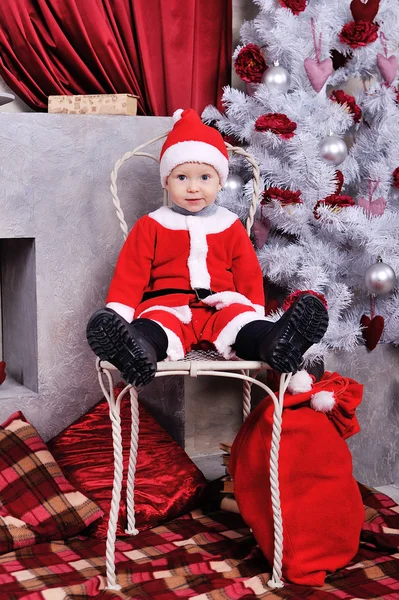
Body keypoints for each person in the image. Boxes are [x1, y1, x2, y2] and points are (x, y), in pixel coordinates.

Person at [86, 108, 328, 386]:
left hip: (220, 304)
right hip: (168, 304)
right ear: (166, 180)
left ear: (219, 181)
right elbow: (131, 275)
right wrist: (120, 315)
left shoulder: (228, 225)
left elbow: (247, 272)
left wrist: (253, 311)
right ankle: (135, 349)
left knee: (242, 325)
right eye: (181, 178)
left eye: (204, 178)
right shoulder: (151, 225)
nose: (193, 188)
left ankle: (277, 342)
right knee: (155, 327)